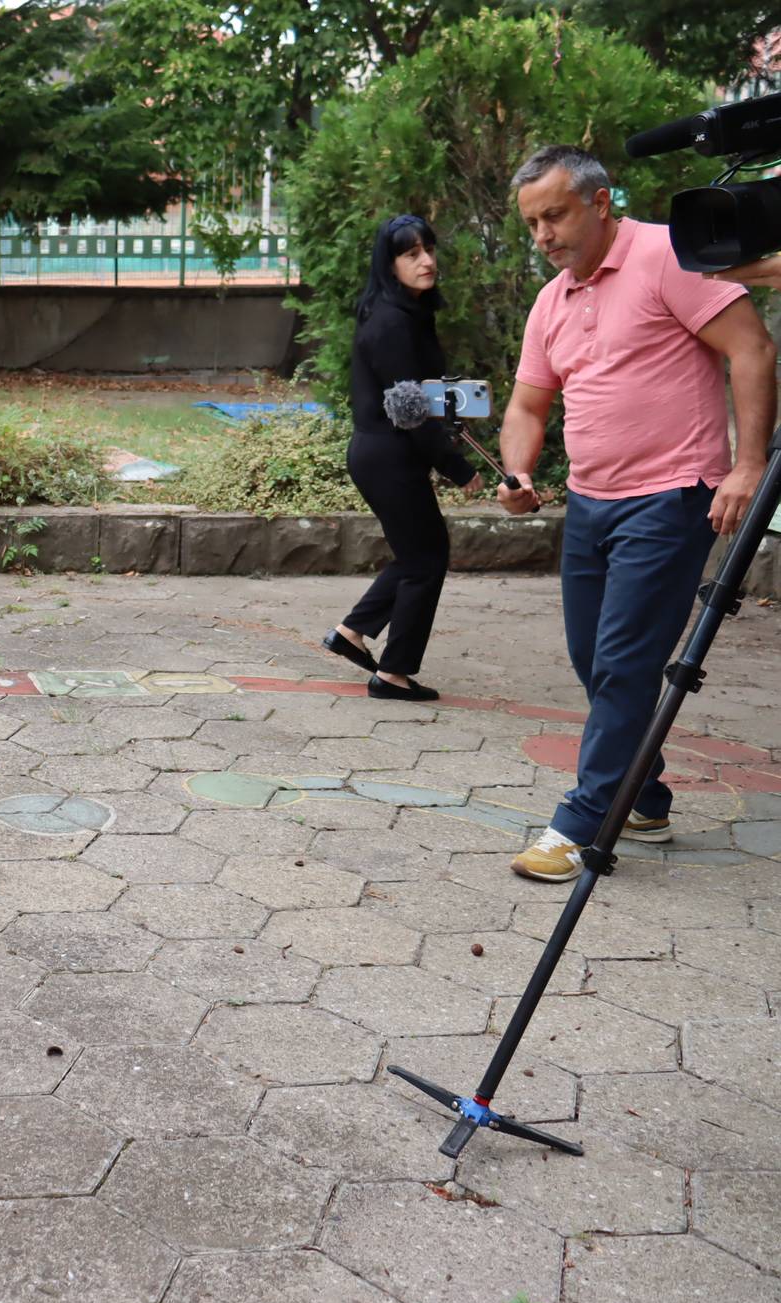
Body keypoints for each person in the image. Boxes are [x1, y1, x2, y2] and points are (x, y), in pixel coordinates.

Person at [496, 145, 774, 883]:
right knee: (593, 659)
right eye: (532, 223)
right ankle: (644, 794)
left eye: (553, 215)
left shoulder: (664, 257)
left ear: (599, 201)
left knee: (624, 663)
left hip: (671, 494)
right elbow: (528, 403)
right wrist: (518, 468)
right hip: (590, 501)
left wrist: (748, 466)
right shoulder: (553, 300)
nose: (543, 236)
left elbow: (750, 350)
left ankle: (582, 823)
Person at [323, 214, 485, 702]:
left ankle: (352, 632)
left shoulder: (405, 313)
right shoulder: (392, 322)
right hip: (386, 455)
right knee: (426, 559)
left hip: (386, 454)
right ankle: (393, 673)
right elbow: (408, 411)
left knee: (419, 554)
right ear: (390, 264)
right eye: (412, 253)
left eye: (429, 249)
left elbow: (421, 396)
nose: (427, 261)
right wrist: (459, 469)